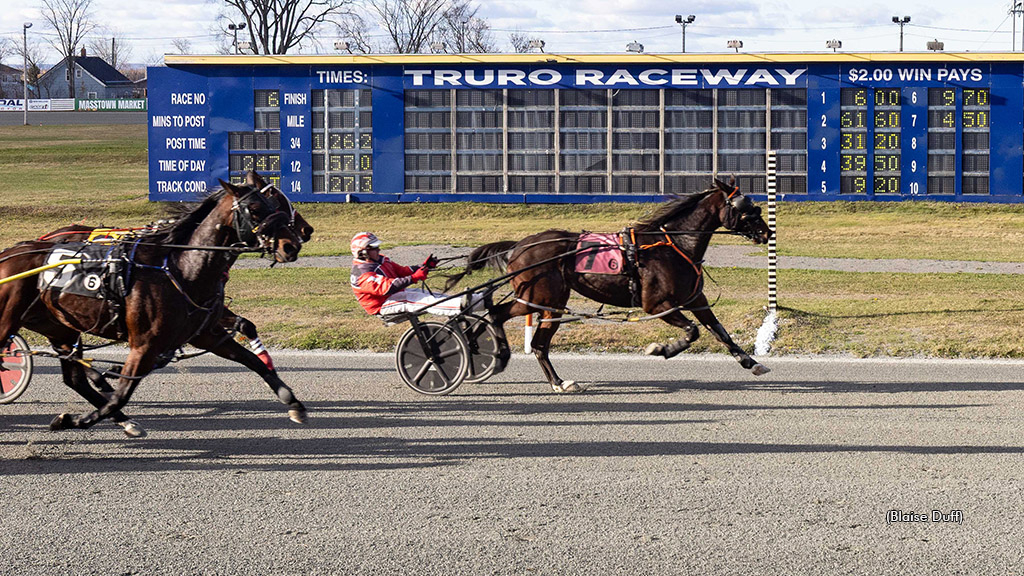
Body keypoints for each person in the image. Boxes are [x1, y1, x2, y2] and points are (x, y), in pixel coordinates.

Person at [350, 232, 476, 317]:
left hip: (395, 295)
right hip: (381, 305)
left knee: (430, 294)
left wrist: (423, 267)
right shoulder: (360, 274)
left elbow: (402, 271)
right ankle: (460, 306)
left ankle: (478, 300)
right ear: (363, 252)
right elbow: (387, 287)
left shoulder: (380, 259)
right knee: (423, 300)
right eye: (374, 248)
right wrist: (415, 277)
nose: (379, 249)